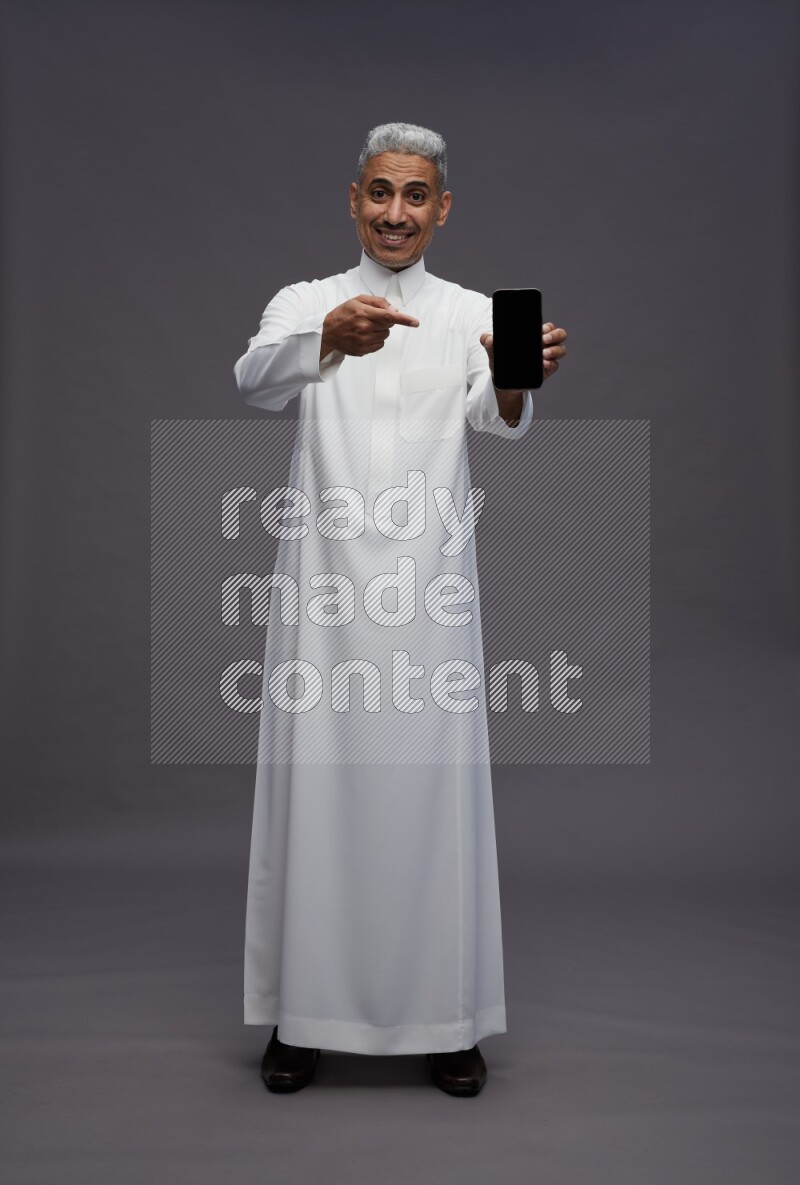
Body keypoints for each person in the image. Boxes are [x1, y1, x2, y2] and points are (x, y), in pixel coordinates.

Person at [233, 122, 567, 1096]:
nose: (394, 212)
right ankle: (300, 1017)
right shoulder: (307, 301)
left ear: (441, 209)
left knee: (432, 802)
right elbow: (252, 382)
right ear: (352, 198)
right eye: (379, 192)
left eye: (414, 196)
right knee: (313, 793)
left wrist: (514, 374)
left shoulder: (474, 311)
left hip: (425, 594)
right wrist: (321, 343)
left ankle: (446, 1020)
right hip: (325, 595)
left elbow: (497, 420)